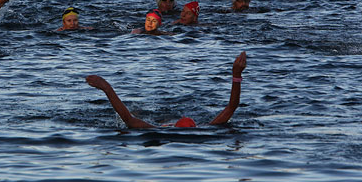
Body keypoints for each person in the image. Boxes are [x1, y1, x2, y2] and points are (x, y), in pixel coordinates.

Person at [85, 51, 247, 128]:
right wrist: (236, 75)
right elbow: (231, 107)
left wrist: (107, 88)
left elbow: (128, 119)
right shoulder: (207, 128)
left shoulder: (156, 130)